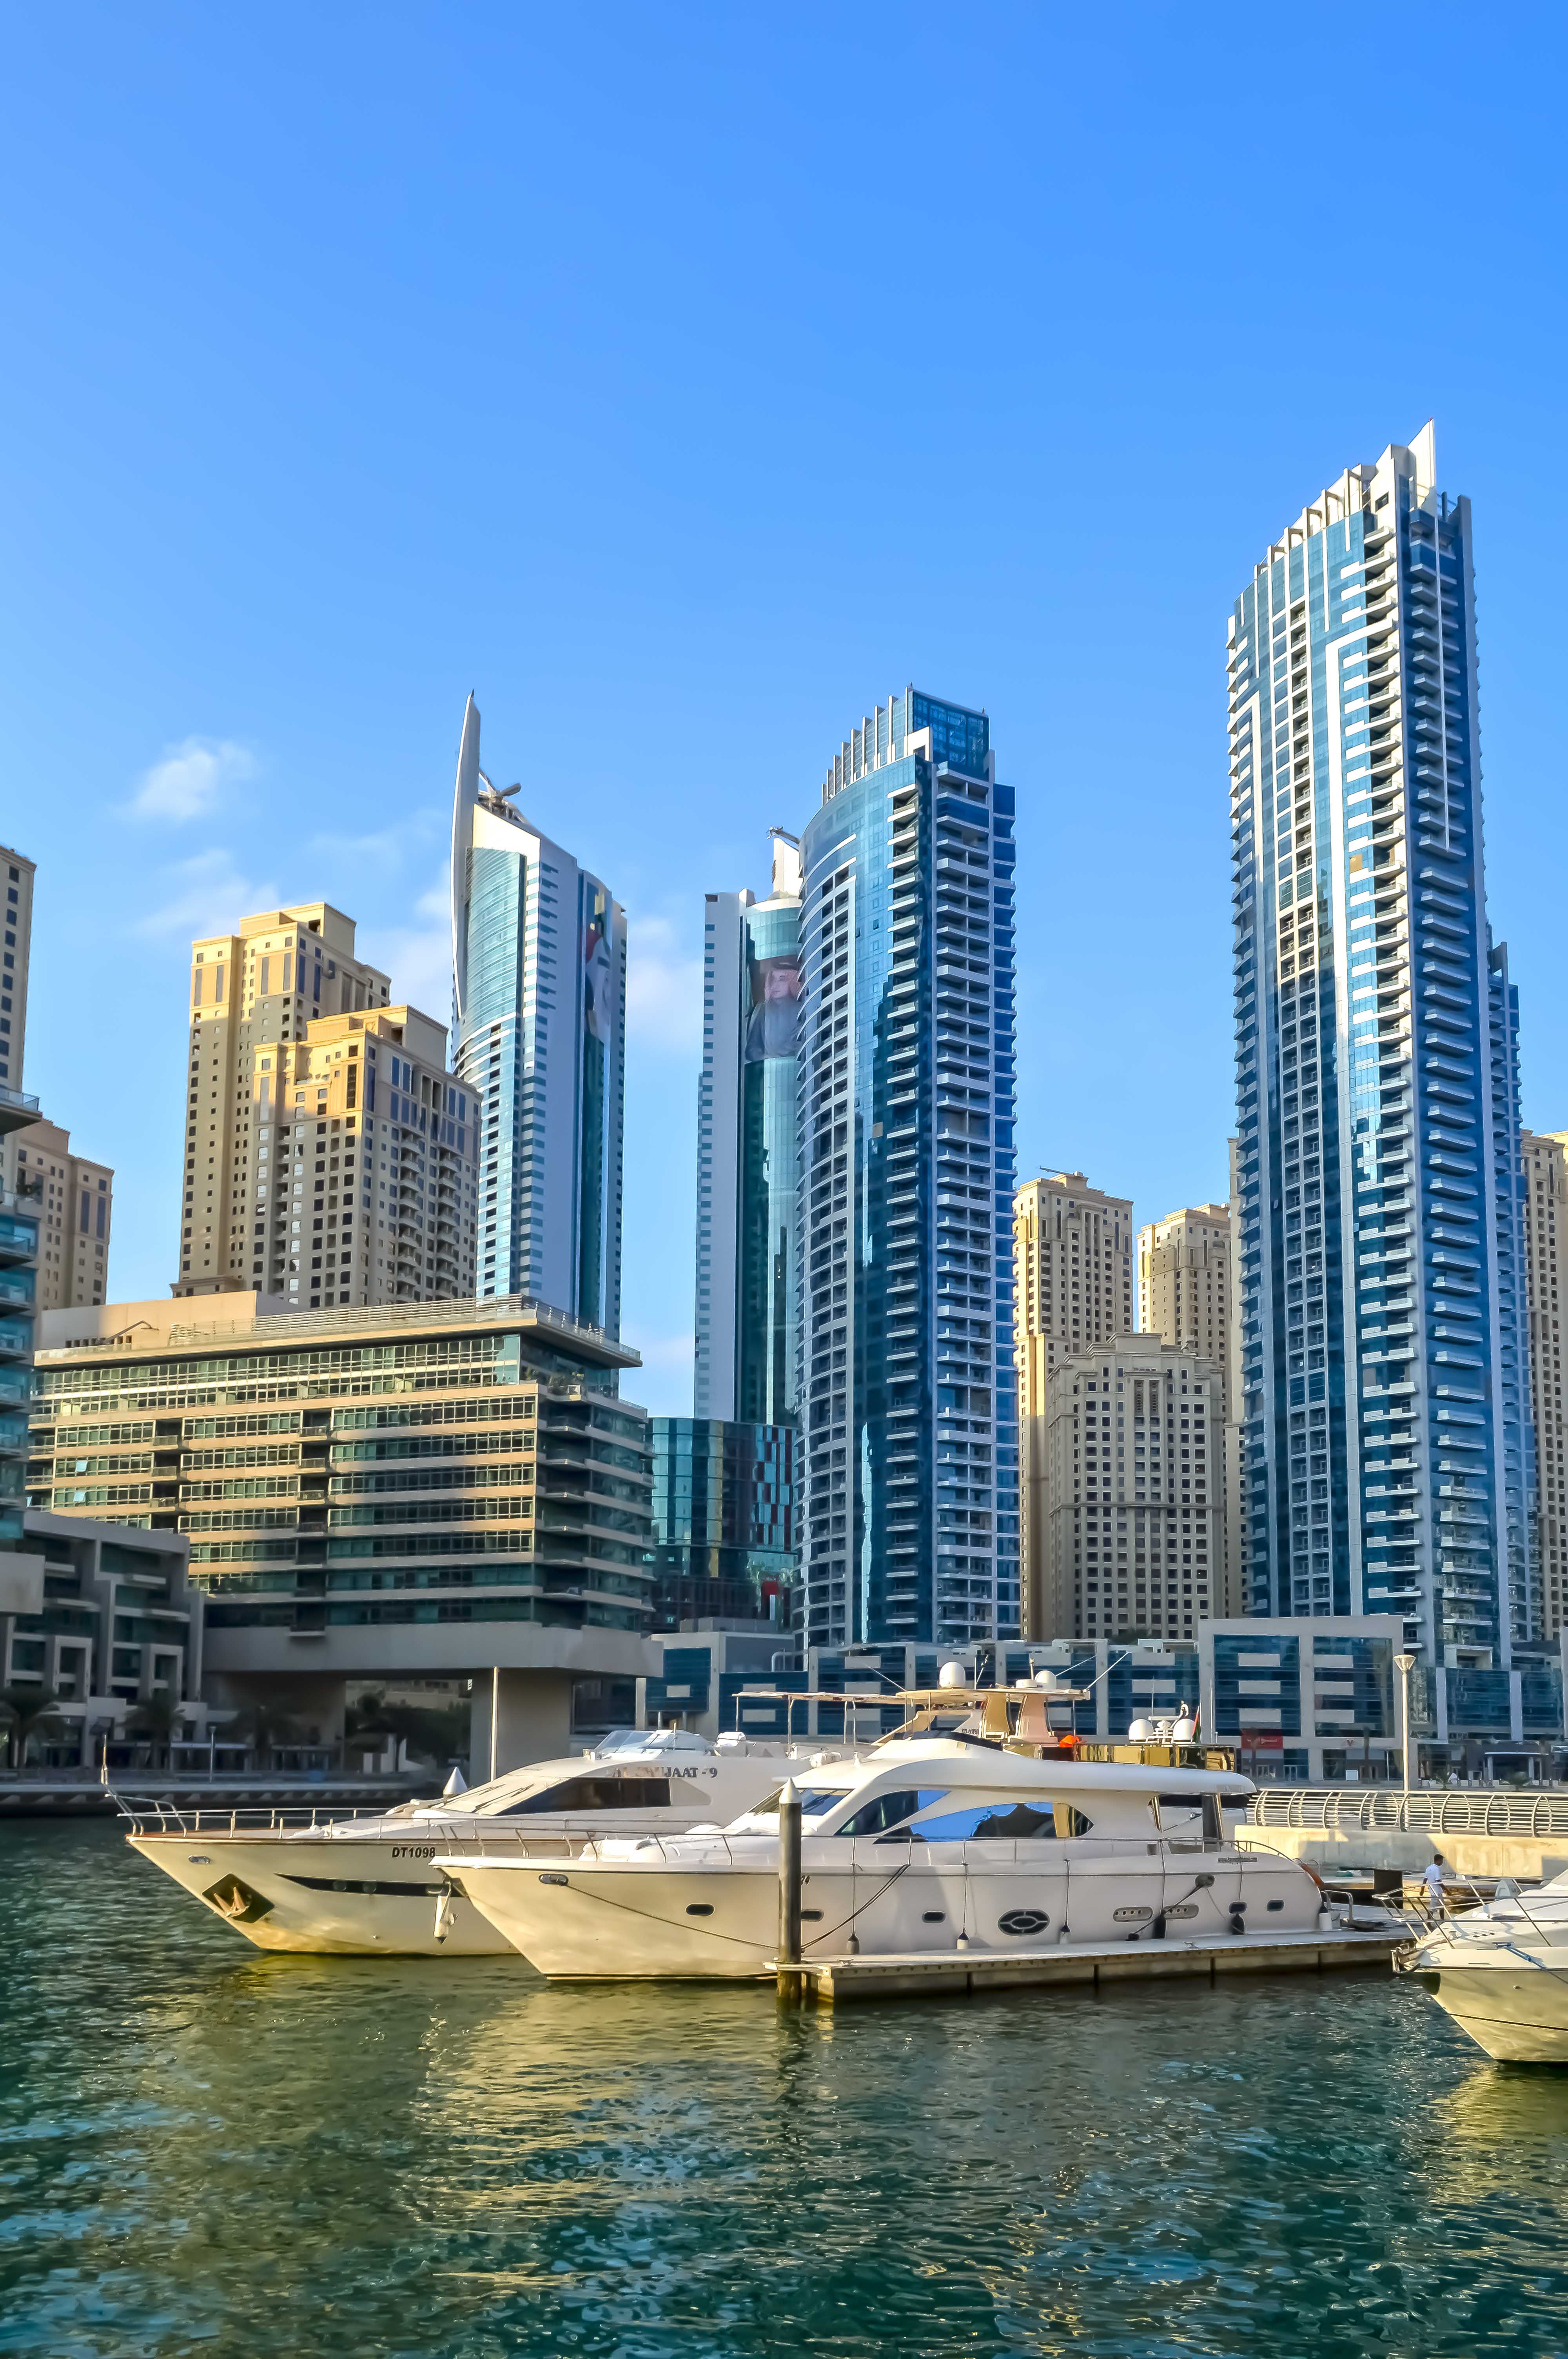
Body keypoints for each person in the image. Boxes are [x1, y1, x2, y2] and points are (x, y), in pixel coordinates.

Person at [1423, 1856, 1446, 1921]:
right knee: (1433, 1909)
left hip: (1433, 1891)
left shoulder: (1429, 1868)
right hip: (1437, 1892)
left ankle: (1442, 1921)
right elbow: (1438, 1881)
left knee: (1442, 1907)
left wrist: (1422, 1889)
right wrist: (1446, 1889)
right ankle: (1429, 1923)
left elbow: (1425, 1879)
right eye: (1442, 1861)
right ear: (1438, 1860)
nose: (1442, 1863)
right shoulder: (1437, 1869)